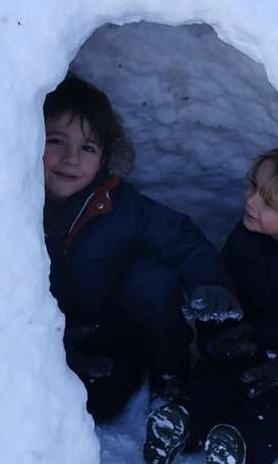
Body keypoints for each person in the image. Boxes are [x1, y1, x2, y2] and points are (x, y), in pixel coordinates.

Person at [41, 74, 241, 420]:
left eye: (88, 147)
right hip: (51, 337)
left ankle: (169, 376)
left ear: (104, 158)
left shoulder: (119, 205)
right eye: (57, 141)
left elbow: (181, 237)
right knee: (68, 404)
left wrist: (210, 282)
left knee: (151, 279)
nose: (72, 159)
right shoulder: (10, 206)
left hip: (110, 333)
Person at [143, 142, 278, 464]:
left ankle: (238, 447)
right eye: (254, 186)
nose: (251, 200)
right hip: (250, 346)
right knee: (217, 383)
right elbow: (226, 296)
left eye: (269, 201)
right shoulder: (244, 238)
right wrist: (217, 338)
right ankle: (183, 422)